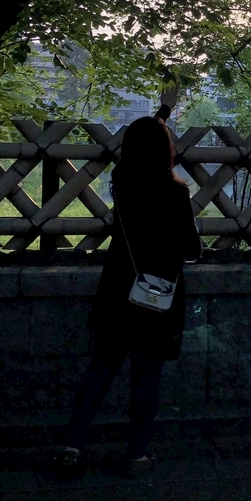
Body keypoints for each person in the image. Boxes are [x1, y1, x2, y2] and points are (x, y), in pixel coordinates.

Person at [56, 89, 201, 477]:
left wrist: (162, 113)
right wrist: (165, 116)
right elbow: (190, 248)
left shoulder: (122, 181)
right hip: (157, 295)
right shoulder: (175, 192)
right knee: (146, 376)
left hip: (118, 287)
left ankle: (72, 445)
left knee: (101, 369)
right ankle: (135, 454)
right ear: (166, 150)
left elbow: (143, 140)